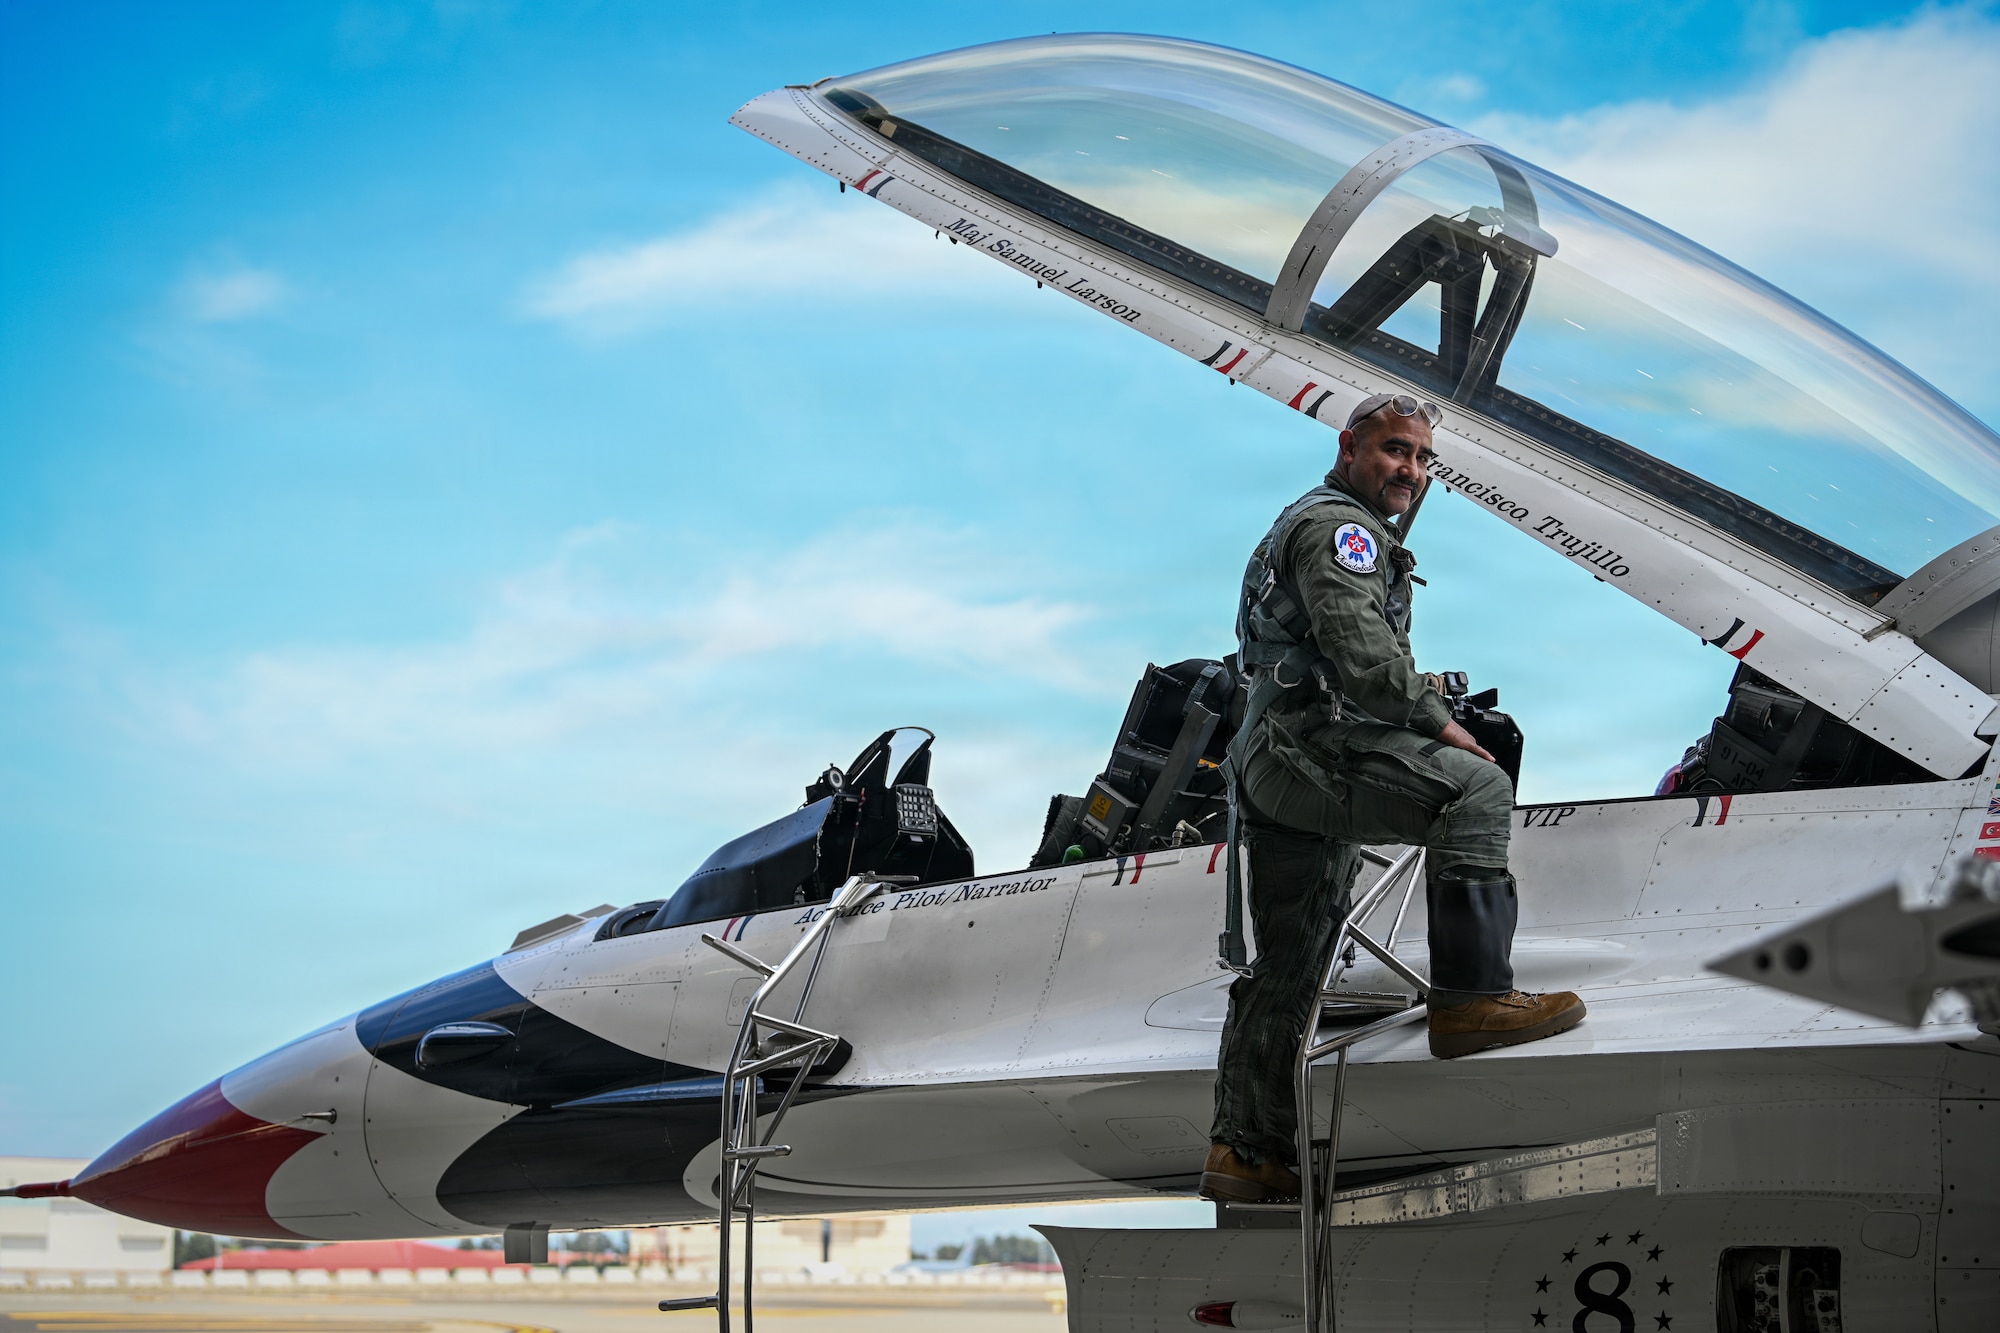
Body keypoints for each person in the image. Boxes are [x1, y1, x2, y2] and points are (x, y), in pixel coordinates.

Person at [1201, 392, 1586, 1205]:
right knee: (1477, 786)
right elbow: (1365, 657)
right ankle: (1473, 999)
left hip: (1276, 762)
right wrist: (1441, 723)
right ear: (1349, 447)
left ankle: (1246, 1150)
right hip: (1305, 753)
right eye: (1393, 450)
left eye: (1420, 458)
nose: (1409, 469)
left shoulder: (1319, 523)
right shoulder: (1341, 530)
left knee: (1292, 966)